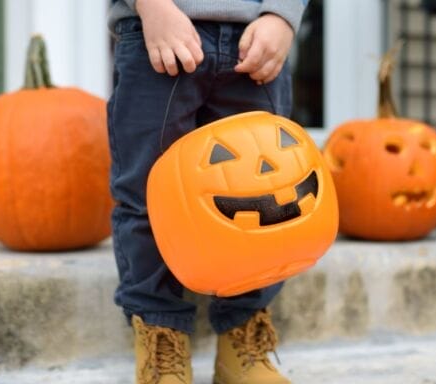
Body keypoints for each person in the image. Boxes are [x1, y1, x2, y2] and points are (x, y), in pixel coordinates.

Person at [107, 1, 308, 383]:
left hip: (257, 40)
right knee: (149, 195)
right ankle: (160, 338)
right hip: (159, 29)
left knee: (265, 198)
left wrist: (283, 15)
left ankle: (241, 343)